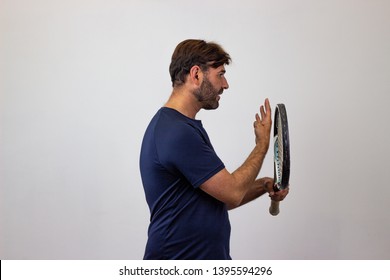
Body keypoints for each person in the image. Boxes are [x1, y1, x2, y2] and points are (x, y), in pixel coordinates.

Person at [139, 39, 289, 260]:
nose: (225, 84)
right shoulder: (177, 133)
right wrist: (262, 145)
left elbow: (220, 198)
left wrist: (264, 185)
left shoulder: (178, 126)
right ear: (197, 74)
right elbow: (233, 192)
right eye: (220, 74)